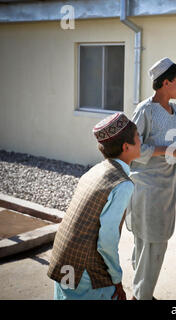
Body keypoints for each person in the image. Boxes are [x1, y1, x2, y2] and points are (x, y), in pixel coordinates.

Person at [47, 112, 141, 300]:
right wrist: (117, 279)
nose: (141, 141)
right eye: (138, 137)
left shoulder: (97, 169)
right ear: (126, 146)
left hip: (63, 259)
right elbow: (106, 240)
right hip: (83, 270)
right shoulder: (122, 184)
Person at [126, 57, 176, 300]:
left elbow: (173, 147)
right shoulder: (145, 111)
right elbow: (132, 149)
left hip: (166, 187)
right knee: (148, 243)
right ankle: (140, 296)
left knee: (154, 244)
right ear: (165, 83)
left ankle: (142, 291)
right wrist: (169, 151)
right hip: (146, 187)